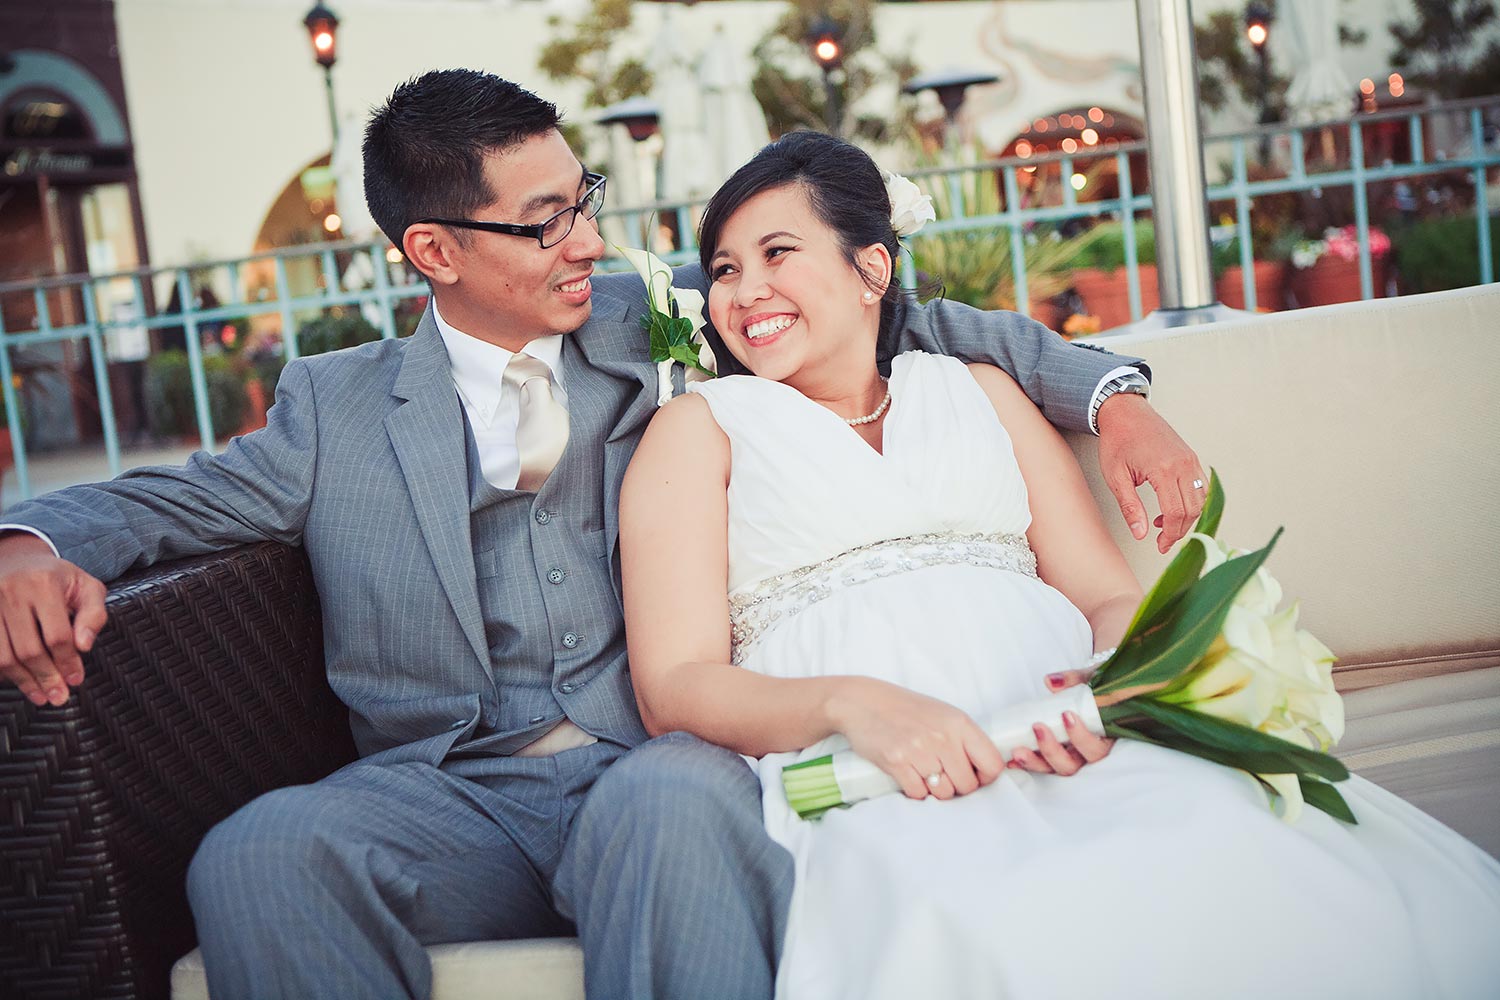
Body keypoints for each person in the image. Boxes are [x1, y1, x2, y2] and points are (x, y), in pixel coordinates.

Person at [0, 71, 1201, 999]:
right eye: (544, 221)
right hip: (446, 789)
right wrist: (20, 540)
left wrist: (1113, 395)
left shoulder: (653, 313)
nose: (584, 239)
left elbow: (901, 314)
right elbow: (168, 502)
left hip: (656, 754)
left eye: (584, 201)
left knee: (664, 810)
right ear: (435, 250)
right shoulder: (336, 407)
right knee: (255, 853)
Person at [619, 131, 1500, 1000]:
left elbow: (1105, 593)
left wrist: (1112, 680)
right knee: (1004, 930)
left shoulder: (980, 389)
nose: (744, 290)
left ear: (872, 271)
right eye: (724, 269)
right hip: (873, 776)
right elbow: (675, 684)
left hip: (1069, 739)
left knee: (1250, 885)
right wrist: (851, 705)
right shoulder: (702, 430)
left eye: (777, 253)